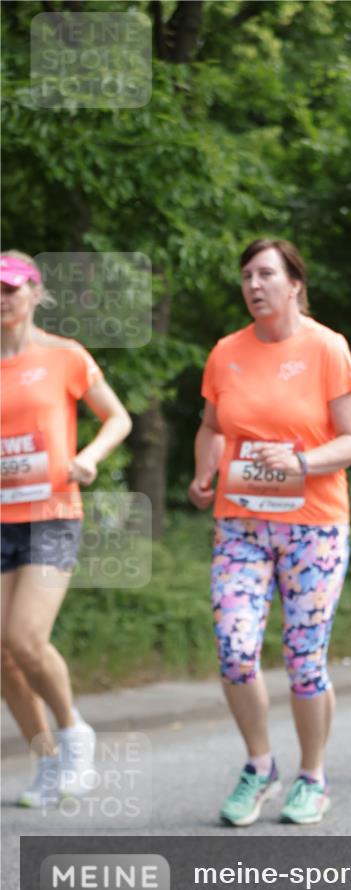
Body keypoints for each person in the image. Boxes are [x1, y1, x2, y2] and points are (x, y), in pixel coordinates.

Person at [188, 238, 351, 825]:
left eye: (266, 273)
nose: (253, 285)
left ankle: (312, 776)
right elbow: (213, 426)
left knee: (304, 660)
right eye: (245, 275)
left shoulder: (327, 348)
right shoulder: (226, 353)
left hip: (312, 527)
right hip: (240, 523)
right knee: (236, 650)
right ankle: (259, 765)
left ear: (294, 283)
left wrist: (303, 462)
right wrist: (203, 471)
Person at [1, 252, 132, 806]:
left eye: (11, 289)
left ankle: (74, 732)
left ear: (35, 293)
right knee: (1, 654)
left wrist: (92, 456)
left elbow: (119, 417)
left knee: (24, 638)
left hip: (53, 514)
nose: (2, 299)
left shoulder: (64, 356)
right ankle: (48, 760)